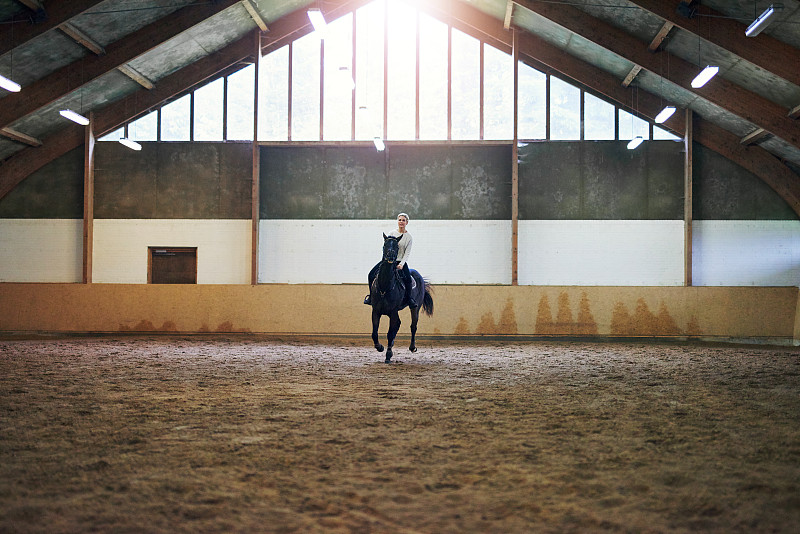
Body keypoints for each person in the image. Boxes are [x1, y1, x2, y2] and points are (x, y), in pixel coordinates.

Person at [364, 212, 417, 308]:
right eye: (400, 220)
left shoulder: (409, 238)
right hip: (387, 261)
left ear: (407, 222)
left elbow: (407, 253)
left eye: (403, 220)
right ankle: (371, 297)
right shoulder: (392, 233)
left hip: (400, 262)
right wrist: (385, 260)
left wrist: (401, 264)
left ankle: (409, 299)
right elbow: (386, 248)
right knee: (371, 274)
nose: (401, 222)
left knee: (408, 279)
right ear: (398, 221)